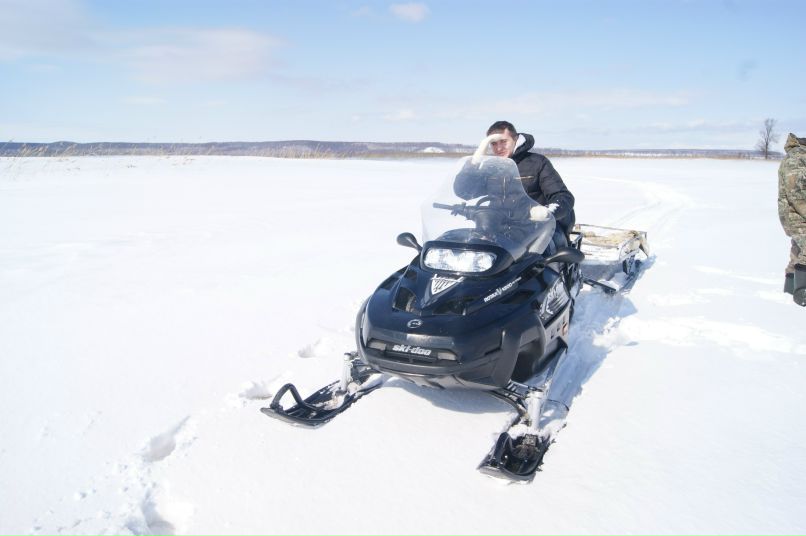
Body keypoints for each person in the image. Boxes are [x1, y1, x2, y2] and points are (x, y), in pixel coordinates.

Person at [485, 121, 576, 236]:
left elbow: (563, 196)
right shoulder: (490, 167)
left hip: (536, 228)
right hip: (499, 227)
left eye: (503, 141)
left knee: (552, 250)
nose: (498, 148)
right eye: (493, 144)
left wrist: (544, 212)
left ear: (515, 139)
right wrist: (473, 165)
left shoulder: (537, 162)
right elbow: (464, 192)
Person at [778, 133, 806, 306]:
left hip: (798, 215)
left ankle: (791, 286)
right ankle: (802, 292)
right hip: (796, 215)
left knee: (798, 248)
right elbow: (796, 195)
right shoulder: (796, 159)